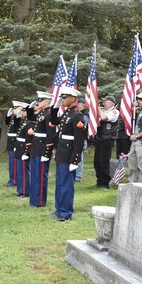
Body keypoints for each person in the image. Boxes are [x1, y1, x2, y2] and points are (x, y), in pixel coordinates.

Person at [49, 87, 86, 221]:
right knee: (59, 183)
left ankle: (66, 212)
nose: (63, 100)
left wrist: (75, 159)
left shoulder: (77, 115)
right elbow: (54, 122)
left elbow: (79, 140)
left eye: (65, 98)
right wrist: (55, 108)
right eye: (62, 98)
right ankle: (59, 209)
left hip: (69, 154)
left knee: (67, 184)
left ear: (73, 99)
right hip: (61, 152)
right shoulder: (66, 114)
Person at [28, 91, 54, 207]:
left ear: (48, 101)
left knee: (40, 176)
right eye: (38, 100)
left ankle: (39, 201)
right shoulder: (41, 113)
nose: (38, 102)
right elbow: (29, 117)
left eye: (41, 100)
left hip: (42, 148)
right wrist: (31, 107)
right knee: (34, 175)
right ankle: (33, 200)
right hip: (35, 147)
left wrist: (47, 152)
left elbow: (50, 135)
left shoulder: (49, 114)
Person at [94, 95, 119, 188]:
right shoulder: (104, 111)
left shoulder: (114, 111)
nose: (103, 103)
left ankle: (105, 182)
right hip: (100, 138)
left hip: (108, 139)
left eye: (105, 101)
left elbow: (104, 118)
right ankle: (99, 181)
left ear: (111, 103)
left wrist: (97, 108)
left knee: (104, 161)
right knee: (97, 161)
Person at [14, 102, 33, 198]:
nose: (22, 112)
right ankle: (20, 189)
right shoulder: (23, 122)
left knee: (24, 171)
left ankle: (25, 191)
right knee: (19, 171)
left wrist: (26, 151)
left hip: (23, 148)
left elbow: (29, 139)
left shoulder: (30, 124)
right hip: (19, 147)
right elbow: (16, 123)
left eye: (24, 110)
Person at [4, 102, 22, 187]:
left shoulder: (19, 118)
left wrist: (18, 113)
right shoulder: (14, 118)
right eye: (13, 108)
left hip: (14, 142)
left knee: (14, 163)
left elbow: (17, 123)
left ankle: (14, 180)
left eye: (16, 108)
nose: (14, 110)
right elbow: (7, 123)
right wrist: (8, 114)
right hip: (10, 142)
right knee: (11, 163)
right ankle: (12, 179)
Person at [75, 98, 89, 182]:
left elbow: (82, 127)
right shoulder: (80, 114)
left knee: (79, 157)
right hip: (78, 139)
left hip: (82, 139)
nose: (77, 105)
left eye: (79, 104)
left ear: (83, 105)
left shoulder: (85, 115)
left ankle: (78, 176)